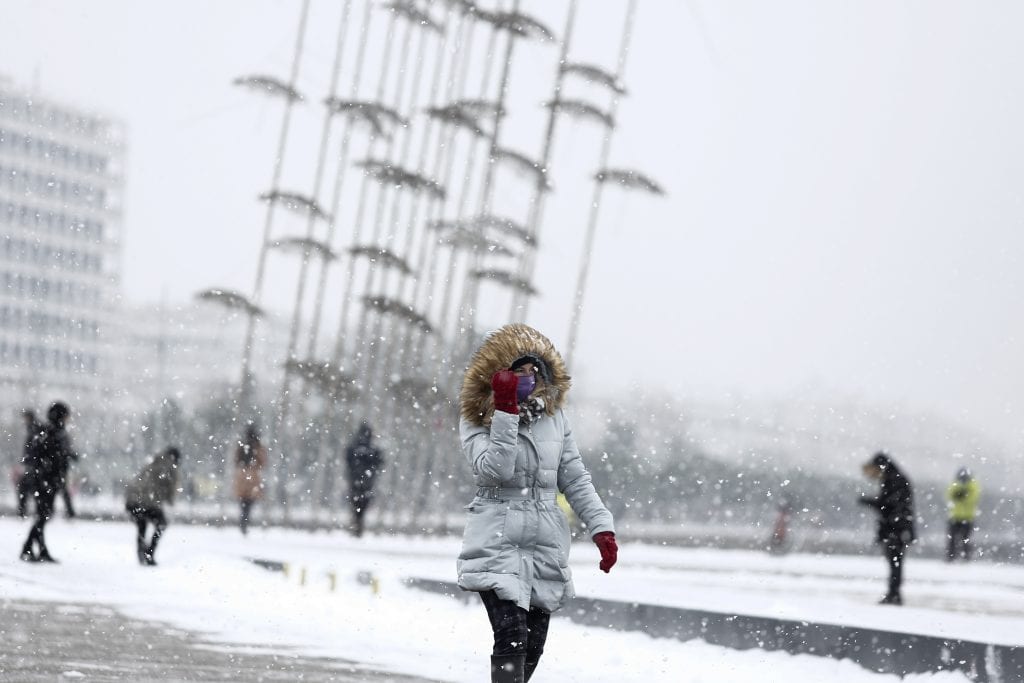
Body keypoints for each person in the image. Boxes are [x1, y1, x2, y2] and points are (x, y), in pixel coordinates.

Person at [457, 324, 617, 682]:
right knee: (512, 638)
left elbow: (575, 478)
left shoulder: (555, 419)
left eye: (534, 371)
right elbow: (494, 471)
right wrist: (505, 412)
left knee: (533, 646)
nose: (528, 378)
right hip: (496, 540)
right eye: (519, 370)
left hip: (545, 544)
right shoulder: (475, 418)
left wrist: (601, 527)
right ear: (498, 374)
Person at [19, 401, 76, 563]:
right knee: (43, 515)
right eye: (66, 416)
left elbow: (39, 456)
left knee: (43, 515)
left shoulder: (47, 432)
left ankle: (38, 550)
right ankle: (28, 548)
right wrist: (66, 456)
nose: (67, 419)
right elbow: (52, 457)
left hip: (43, 480)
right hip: (46, 481)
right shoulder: (54, 433)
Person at [858, 452, 915, 605]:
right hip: (897, 528)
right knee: (894, 562)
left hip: (895, 529)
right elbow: (891, 505)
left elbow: (890, 505)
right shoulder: (894, 479)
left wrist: (872, 502)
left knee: (895, 562)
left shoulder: (894, 480)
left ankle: (894, 594)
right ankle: (893, 593)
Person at [125, 446, 181, 566]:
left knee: (142, 524)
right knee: (162, 524)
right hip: (147, 501)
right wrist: (169, 500)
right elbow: (170, 494)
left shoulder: (153, 462)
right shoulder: (171, 468)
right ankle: (149, 554)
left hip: (131, 500)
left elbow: (139, 480)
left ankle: (141, 552)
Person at [345, 421, 382, 538]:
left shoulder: (354, 446)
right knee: (363, 504)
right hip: (367, 482)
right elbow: (379, 462)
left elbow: (348, 459)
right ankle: (358, 523)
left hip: (355, 481)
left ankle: (356, 523)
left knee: (355, 503)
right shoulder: (372, 448)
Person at [234, 424, 267, 535]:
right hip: (252, 477)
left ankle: (243, 522)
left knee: (244, 504)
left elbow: (236, 460)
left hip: (242, 477)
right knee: (249, 504)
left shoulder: (242, 446)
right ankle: (244, 523)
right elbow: (263, 462)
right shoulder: (258, 447)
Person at [946, 466, 980, 562]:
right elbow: (950, 495)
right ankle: (951, 557)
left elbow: (973, 498)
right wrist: (962, 495)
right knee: (953, 539)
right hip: (956, 517)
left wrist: (961, 495)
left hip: (967, 517)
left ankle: (965, 558)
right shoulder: (956, 484)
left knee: (965, 539)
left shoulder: (973, 485)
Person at [15, 408, 42, 518]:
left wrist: (29, 459)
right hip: (34, 464)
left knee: (26, 487)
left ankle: (24, 511)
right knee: (32, 488)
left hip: (34, 464)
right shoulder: (33, 428)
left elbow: (32, 447)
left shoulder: (34, 428)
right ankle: (36, 511)